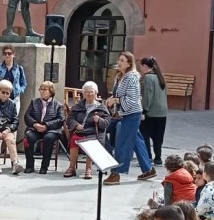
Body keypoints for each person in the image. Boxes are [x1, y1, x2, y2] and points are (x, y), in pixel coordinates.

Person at [105, 52, 156, 185]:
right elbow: (118, 94)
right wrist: (112, 99)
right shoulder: (119, 76)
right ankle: (148, 169)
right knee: (136, 142)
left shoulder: (131, 78)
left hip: (131, 114)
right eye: (119, 60)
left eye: (122, 60)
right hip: (124, 113)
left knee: (121, 142)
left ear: (129, 63)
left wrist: (115, 100)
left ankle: (116, 173)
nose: (119, 62)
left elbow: (132, 99)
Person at [63, 81, 110, 180]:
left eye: (92, 92)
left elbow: (106, 123)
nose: (89, 94)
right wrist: (76, 125)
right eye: (87, 92)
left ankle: (88, 169)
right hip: (80, 131)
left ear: (96, 93)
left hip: (93, 132)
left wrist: (99, 120)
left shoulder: (101, 108)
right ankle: (71, 168)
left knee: (91, 142)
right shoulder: (78, 106)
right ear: (83, 94)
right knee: (74, 139)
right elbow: (70, 119)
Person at [22, 81, 63, 174]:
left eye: (44, 89)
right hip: (35, 129)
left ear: (51, 92)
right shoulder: (34, 102)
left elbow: (60, 120)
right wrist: (35, 124)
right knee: (28, 137)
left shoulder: (58, 105)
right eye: (40, 89)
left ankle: (44, 166)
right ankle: (29, 165)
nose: (41, 91)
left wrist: (46, 125)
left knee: (48, 138)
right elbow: (27, 115)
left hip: (51, 130)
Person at [138, 57, 168, 164]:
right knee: (158, 137)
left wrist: (144, 110)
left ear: (145, 66)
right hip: (162, 112)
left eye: (141, 66)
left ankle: (148, 157)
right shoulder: (160, 77)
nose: (141, 68)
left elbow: (147, 96)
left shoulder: (148, 78)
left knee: (144, 134)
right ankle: (158, 158)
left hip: (151, 112)